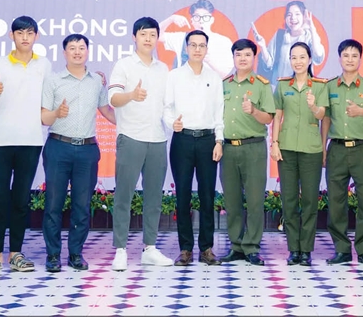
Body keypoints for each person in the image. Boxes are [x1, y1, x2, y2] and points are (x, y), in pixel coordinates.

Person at [0, 16, 52, 274]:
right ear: (11, 36)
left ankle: (16, 254)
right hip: (1, 141)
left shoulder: (44, 65)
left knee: (21, 200)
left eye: (29, 33)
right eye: (20, 33)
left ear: (36, 36)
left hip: (31, 140)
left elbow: (49, 99)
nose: (25, 37)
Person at [39, 33, 115, 273]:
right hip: (58, 147)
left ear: (87, 51)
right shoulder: (53, 80)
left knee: (82, 205)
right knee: (53, 203)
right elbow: (44, 117)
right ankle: (53, 255)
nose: (77, 52)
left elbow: (106, 110)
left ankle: (75, 253)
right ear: (64, 53)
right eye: (72, 48)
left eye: (81, 48)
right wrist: (57, 113)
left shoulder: (97, 81)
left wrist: (131, 122)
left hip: (87, 150)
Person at [108, 17, 172, 270]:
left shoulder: (163, 69)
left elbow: (167, 105)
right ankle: (120, 249)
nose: (148, 39)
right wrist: (132, 95)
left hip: (157, 139)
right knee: (124, 195)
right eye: (143, 34)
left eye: (153, 35)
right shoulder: (123, 65)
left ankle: (150, 248)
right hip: (131, 137)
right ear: (134, 37)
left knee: (154, 197)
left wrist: (175, 122)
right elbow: (113, 98)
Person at [321, 39, 363, 267]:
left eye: (354, 55)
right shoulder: (330, 86)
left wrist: (362, 111)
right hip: (337, 149)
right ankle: (341, 249)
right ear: (339, 58)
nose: (350, 59)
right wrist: (323, 148)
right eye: (346, 55)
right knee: (335, 200)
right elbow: (326, 119)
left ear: (360, 58)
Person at [163, 30, 225, 266]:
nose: (197, 49)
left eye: (202, 45)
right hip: (183, 140)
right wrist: (172, 123)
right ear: (186, 48)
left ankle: (206, 248)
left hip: (208, 141)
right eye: (193, 45)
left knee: (208, 195)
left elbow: (219, 112)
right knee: (183, 195)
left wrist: (219, 141)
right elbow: (166, 108)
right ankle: (185, 249)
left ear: (207, 49)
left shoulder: (215, 78)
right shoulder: (174, 76)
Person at [271, 42, 329, 267]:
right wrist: (274, 143)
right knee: (289, 199)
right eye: (294, 57)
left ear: (310, 59)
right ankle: (293, 248)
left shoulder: (320, 86)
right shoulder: (283, 85)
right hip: (286, 149)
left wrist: (314, 107)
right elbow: (277, 116)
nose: (298, 61)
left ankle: (306, 249)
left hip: (311, 149)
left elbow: (322, 115)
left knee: (309, 201)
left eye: (302, 57)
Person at [219, 39, 275, 266]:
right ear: (233, 57)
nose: (242, 58)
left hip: (253, 148)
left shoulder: (262, 85)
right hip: (228, 149)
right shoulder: (224, 84)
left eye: (247, 55)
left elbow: (268, 118)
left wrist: (253, 111)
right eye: (238, 54)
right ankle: (236, 246)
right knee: (231, 201)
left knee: (254, 200)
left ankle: (251, 246)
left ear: (254, 58)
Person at [254, 1, 326, 85]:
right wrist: (263, 46)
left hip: (301, 88)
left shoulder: (309, 36)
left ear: (304, 17)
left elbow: (318, 58)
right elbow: (268, 64)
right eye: (289, 14)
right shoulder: (280, 35)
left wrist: (312, 28)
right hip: (280, 87)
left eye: (297, 14)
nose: (293, 18)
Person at [160, 0, 234, 79]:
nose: (201, 21)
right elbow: (156, 35)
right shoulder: (182, 38)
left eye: (206, 17)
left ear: (212, 20)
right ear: (192, 20)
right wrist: (171, 19)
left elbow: (227, 74)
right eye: (197, 17)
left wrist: (209, 61)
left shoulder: (223, 42)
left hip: (211, 85)